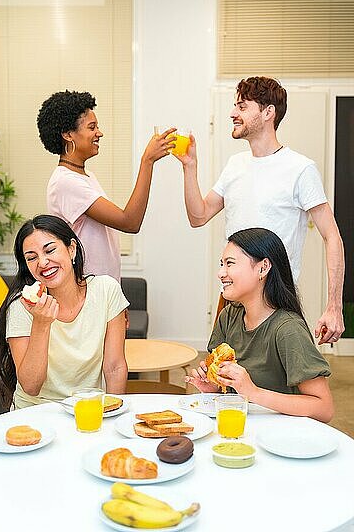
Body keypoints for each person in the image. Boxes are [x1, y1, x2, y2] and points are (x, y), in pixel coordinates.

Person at [178, 76, 344, 344]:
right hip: (231, 297)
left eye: (242, 106)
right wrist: (189, 167)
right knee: (221, 380)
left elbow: (332, 236)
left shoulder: (300, 168)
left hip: (274, 302)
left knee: (273, 384)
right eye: (235, 106)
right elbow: (199, 216)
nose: (233, 113)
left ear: (268, 112)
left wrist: (334, 306)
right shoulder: (235, 164)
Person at [185, 228, 334, 423]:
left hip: (280, 433)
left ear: (263, 268)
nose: (221, 273)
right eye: (222, 264)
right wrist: (212, 386)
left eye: (230, 264)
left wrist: (252, 392)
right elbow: (226, 385)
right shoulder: (228, 316)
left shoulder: (288, 329)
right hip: (240, 427)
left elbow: (324, 408)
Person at [0, 215, 129, 409]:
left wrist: (114, 413)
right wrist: (41, 323)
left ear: (71, 249)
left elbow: (114, 367)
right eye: (32, 257)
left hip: (87, 410)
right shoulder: (21, 306)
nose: (43, 262)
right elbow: (31, 386)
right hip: (35, 412)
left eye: (50, 250)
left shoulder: (106, 290)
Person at [37, 90, 176, 282]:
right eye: (92, 127)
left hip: (102, 292)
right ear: (68, 135)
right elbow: (130, 222)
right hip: (88, 294)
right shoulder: (66, 183)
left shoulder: (85, 177)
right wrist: (147, 161)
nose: (99, 133)